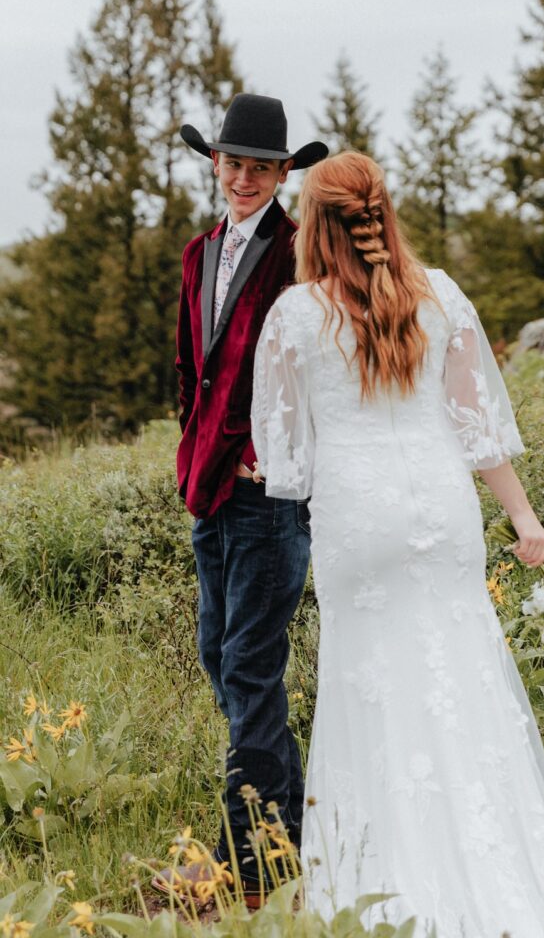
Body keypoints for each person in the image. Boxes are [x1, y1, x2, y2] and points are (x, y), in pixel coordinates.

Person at [251, 152, 544, 936]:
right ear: (383, 213)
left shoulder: (295, 315)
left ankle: (381, 889)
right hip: (443, 517)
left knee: (368, 691)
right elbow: (478, 431)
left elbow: (287, 463)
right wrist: (525, 520)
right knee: (465, 679)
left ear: (313, 225)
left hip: (358, 521)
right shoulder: (440, 294)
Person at [163, 93, 328, 902]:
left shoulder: (301, 255)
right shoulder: (199, 254)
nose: (244, 179)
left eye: (261, 168)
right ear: (216, 166)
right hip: (209, 490)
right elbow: (190, 367)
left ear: (282, 175)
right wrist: (191, 446)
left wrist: (280, 452)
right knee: (217, 655)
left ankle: (253, 868)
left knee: (250, 668)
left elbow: (322, 363)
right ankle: (292, 830)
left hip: (268, 496)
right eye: (233, 164)